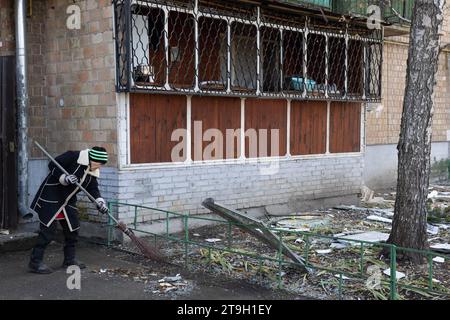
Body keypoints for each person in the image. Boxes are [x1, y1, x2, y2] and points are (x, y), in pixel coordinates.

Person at [28, 147, 110, 274]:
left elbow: (92, 188)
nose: (100, 167)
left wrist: (99, 201)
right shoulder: (73, 156)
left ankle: (69, 260)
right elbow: (52, 165)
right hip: (52, 196)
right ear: (93, 159)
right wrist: (64, 178)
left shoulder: (92, 171)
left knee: (73, 229)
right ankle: (35, 262)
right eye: (99, 164)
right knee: (47, 232)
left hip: (68, 200)